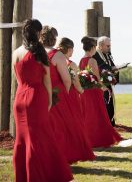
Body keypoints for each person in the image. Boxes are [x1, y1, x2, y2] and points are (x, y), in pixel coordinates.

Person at [12, 19, 73, 182]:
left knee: (23, 139)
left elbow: (18, 79)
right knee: (40, 138)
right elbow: (47, 79)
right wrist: (49, 100)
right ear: (38, 33)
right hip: (36, 97)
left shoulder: (15, 52)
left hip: (19, 98)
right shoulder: (39, 51)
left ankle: (24, 176)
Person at [41, 26, 95, 164]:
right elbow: (66, 78)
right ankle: (64, 155)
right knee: (63, 126)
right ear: (54, 39)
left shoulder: (37, 53)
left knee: (47, 126)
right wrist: (66, 92)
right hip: (58, 93)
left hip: (42, 92)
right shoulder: (56, 55)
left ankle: (47, 155)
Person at [79, 36, 122, 148]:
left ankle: (88, 137)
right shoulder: (92, 60)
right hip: (94, 92)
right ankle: (100, 138)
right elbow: (97, 78)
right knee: (99, 115)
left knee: (88, 115)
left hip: (85, 91)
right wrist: (104, 88)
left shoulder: (81, 60)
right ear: (93, 48)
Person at [93, 36, 118, 126]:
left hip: (108, 83)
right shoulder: (95, 54)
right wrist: (109, 69)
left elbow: (112, 65)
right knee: (103, 104)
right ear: (100, 45)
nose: (109, 47)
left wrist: (115, 69)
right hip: (99, 85)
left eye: (109, 46)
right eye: (107, 46)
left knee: (110, 104)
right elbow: (98, 68)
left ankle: (110, 122)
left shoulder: (107, 54)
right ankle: (103, 124)